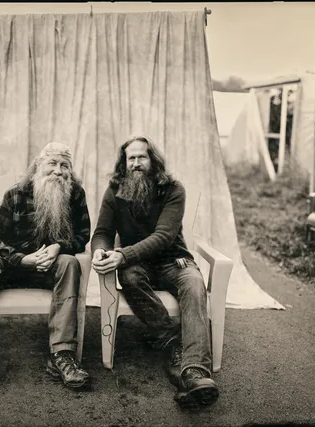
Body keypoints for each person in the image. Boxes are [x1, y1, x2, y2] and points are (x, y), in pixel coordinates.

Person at [91, 135, 219, 411]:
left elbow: (163, 236)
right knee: (129, 277)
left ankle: (194, 372)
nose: (136, 163)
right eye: (131, 158)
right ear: (124, 164)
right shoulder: (114, 190)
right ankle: (173, 339)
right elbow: (102, 233)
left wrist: (123, 254)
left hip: (174, 260)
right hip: (138, 266)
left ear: (154, 160)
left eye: (142, 157)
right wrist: (100, 252)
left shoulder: (172, 189)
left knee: (195, 285)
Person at [0, 142, 92, 395]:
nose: (58, 171)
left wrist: (58, 248)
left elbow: (83, 236)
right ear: (38, 166)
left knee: (70, 262)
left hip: (51, 269)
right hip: (12, 268)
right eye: (52, 163)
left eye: (65, 166)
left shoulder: (75, 195)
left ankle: (62, 354)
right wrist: (22, 259)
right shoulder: (15, 194)